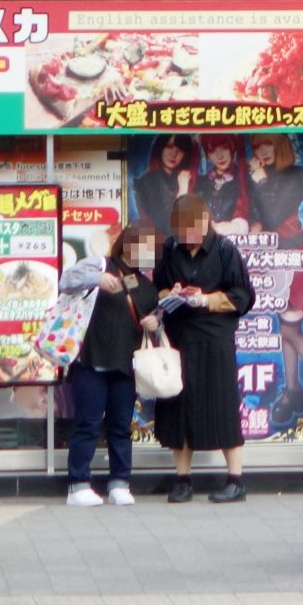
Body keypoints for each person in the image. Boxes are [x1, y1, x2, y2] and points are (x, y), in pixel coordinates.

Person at [151, 193, 253, 503]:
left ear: (205, 220)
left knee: (221, 405)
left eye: (192, 235)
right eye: (182, 235)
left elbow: (243, 296)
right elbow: (158, 286)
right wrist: (174, 293)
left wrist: (206, 299)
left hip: (215, 337)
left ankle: (235, 479)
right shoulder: (169, 248)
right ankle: (182, 479)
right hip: (179, 337)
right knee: (177, 406)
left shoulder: (224, 249)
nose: (188, 242)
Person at [62, 222, 160, 508]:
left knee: (120, 427)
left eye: (151, 249)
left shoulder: (146, 285)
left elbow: (153, 322)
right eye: (143, 246)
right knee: (87, 424)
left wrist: (155, 322)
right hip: (91, 362)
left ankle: (120, 482)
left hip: (125, 366)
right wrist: (96, 277)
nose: (147, 253)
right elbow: (65, 280)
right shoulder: (101, 263)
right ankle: (78, 484)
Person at [246, 152, 303, 427]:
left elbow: (273, 215)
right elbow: (258, 216)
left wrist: (258, 180)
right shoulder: (261, 178)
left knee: (291, 329)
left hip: (294, 258)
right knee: (286, 328)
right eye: (258, 146)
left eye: (270, 144)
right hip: (274, 260)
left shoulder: (293, 176)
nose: (264, 152)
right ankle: (293, 390)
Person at [132, 136, 194, 238]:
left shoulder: (187, 179)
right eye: (169, 146)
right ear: (160, 147)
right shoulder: (145, 182)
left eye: (181, 149)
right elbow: (166, 225)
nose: (174, 154)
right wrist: (182, 191)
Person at [197, 139, 249, 237]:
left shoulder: (244, 180)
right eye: (212, 151)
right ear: (207, 155)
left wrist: (235, 227)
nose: (220, 156)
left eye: (224, 148)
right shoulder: (201, 182)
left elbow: (256, 217)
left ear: (232, 148)